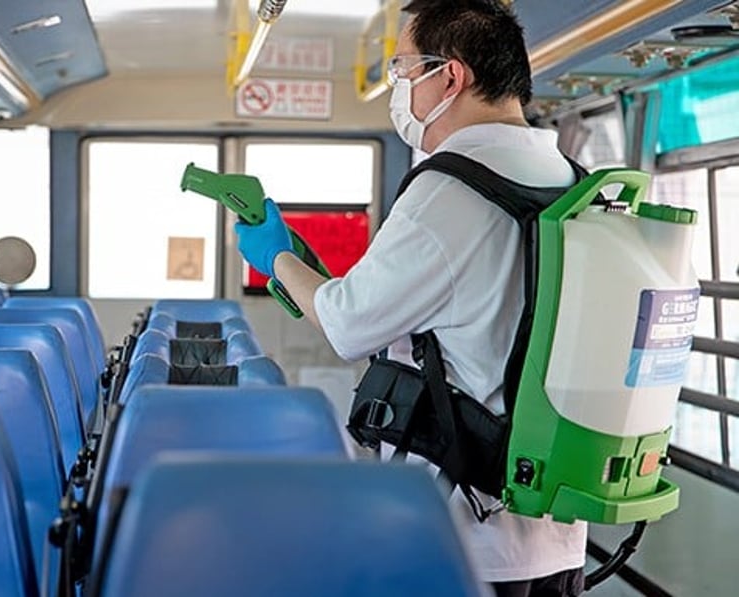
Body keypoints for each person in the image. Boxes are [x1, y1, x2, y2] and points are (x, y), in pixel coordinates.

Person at [233, 1, 586, 596]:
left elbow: (347, 326)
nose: (399, 89)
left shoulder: (449, 191)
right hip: (558, 530)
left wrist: (276, 259)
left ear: (450, 76)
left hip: (464, 535)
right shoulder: (573, 180)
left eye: (401, 70)